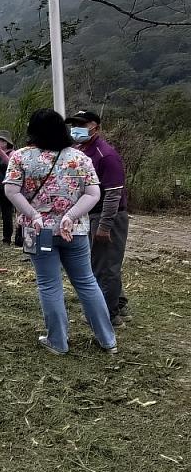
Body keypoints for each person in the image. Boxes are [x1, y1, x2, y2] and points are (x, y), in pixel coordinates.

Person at [4, 108, 117, 356]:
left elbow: (11, 191)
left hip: (38, 231)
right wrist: (70, 216)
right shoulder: (80, 158)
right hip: (74, 230)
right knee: (87, 282)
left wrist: (34, 215)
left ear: (33, 130)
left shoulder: (21, 157)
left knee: (49, 285)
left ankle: (58, 341)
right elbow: (93, 194)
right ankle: (108, 340)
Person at [65, 109, 130, 327]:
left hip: (107, 215)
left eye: (83, 125)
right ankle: (119, 304)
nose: (77, 129)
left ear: (96, 127)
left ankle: (108, 316)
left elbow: (114, 193)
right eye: (74, 124)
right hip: (93, 214)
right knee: (102, 262)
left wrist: (104, 226)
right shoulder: (81, 150)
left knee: (105, 267)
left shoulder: (106, 155)